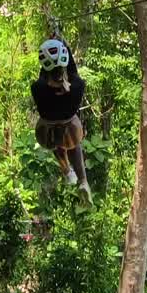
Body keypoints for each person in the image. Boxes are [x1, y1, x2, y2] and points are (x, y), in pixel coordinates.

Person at [31, 38, 92, 205]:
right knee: (73, 143)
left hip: (45, 133)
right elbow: (73, 72)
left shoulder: (37, 88)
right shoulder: (78, 86)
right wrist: (66, 49)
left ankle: (66, 171)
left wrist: (52, 52)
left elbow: (43, 76)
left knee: (57, 140)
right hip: (71, 129)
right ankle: (83, 180)